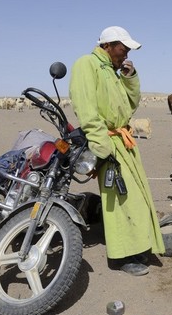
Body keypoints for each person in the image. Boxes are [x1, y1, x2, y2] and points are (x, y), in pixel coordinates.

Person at [69, 26, 165, 276]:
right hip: (109, 142)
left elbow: (129, 106)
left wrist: (130, 77)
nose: (126, 54)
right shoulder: (86, 64)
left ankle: (138, 245)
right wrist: (102, 146)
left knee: (135, 198)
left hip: (124, 141)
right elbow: (86, 109)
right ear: (108, 45)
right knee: (119, 200)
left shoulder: (112, 71)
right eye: (123, 49)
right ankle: (122, 256)